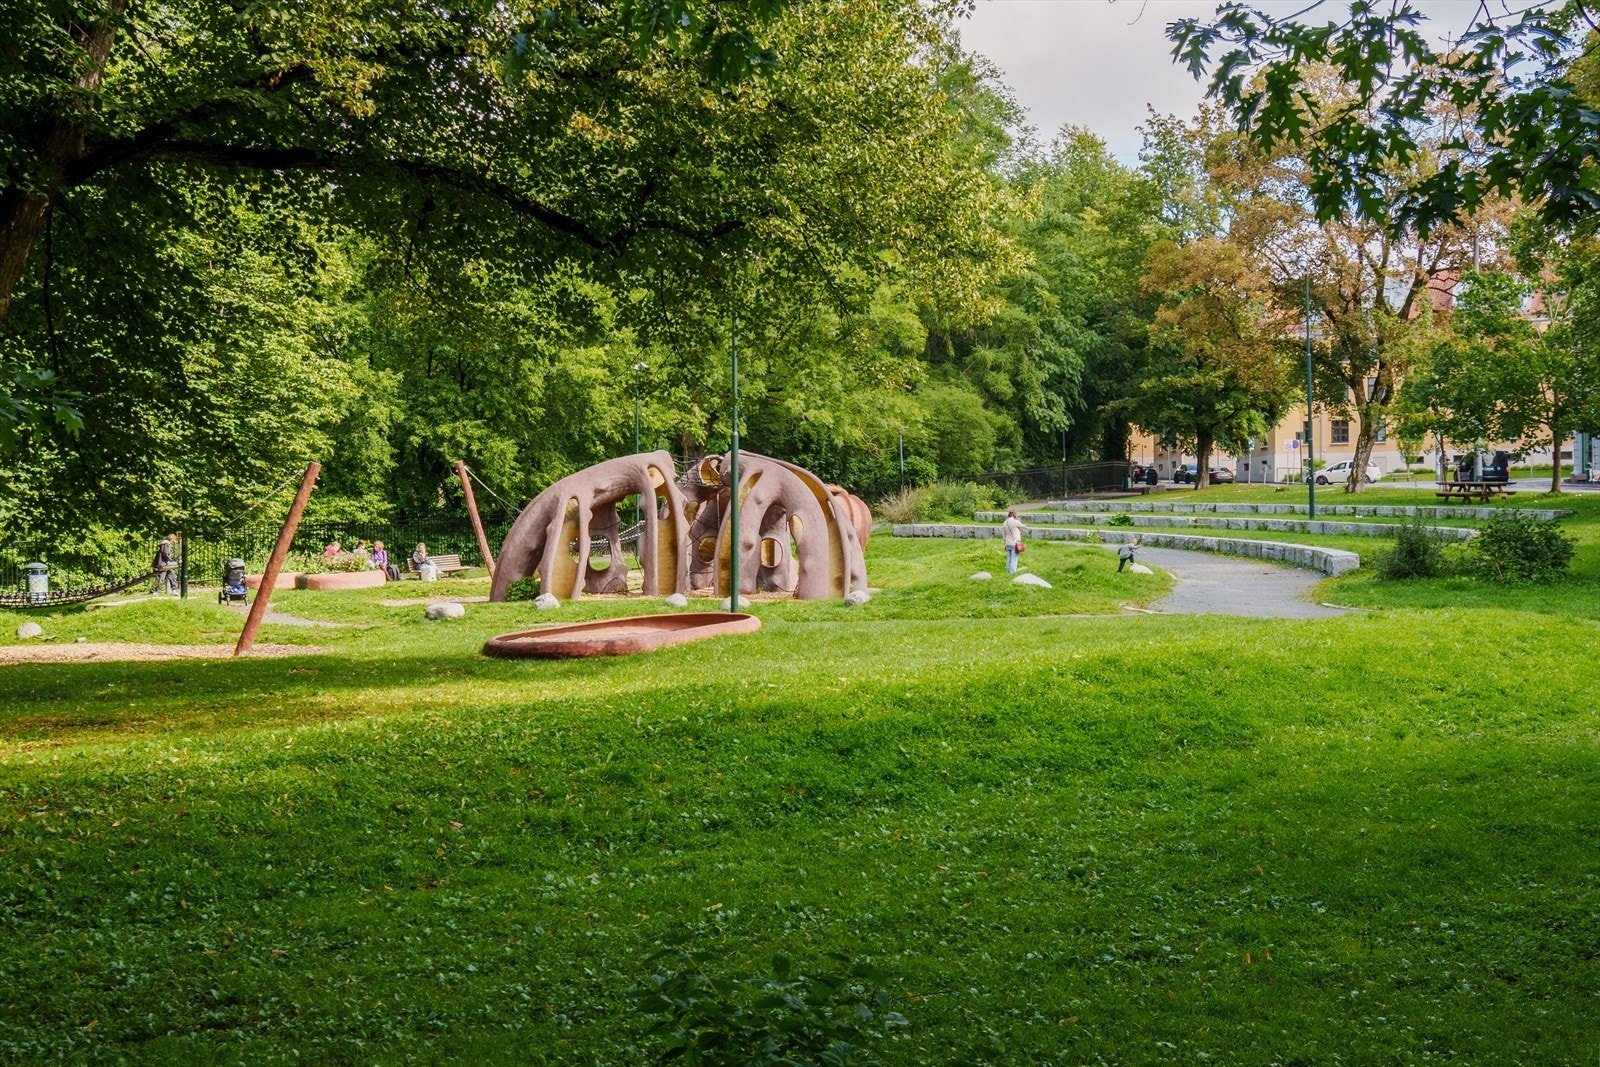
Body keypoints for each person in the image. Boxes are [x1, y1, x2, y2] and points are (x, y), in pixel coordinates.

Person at [1001, 509, 1026, 575]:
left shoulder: (1004, 523)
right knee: (1014, 559)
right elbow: (1024, 527)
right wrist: (1019, 521)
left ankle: (1008, 573)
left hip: (1007, 543)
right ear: (1014, 514)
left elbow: (1004, 535)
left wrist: (1004, 544)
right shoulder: (1015, 521)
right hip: (1015, 543)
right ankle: (1012, 574)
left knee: (1009, 560)